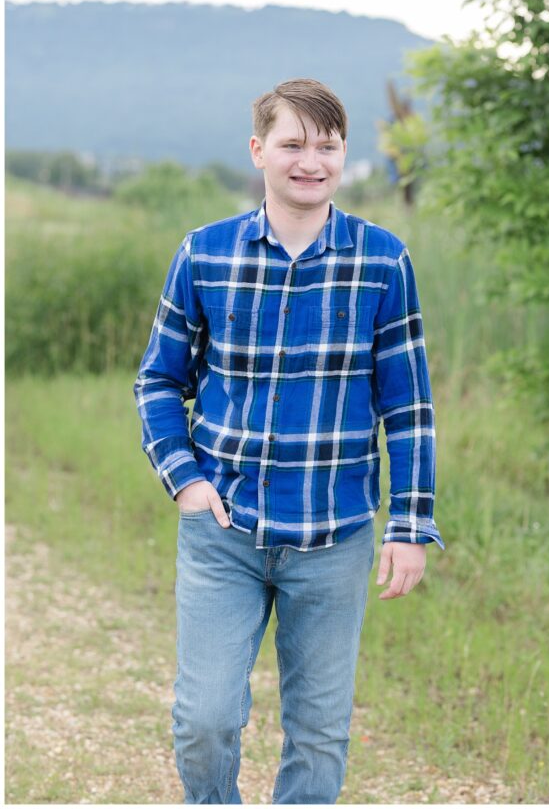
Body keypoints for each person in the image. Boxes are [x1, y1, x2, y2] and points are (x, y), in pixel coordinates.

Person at [133, 78, 445, 804]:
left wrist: (409, 524)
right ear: (259, 151)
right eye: (293, 144)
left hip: (334, 536)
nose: (312, 161)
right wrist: (185, 478)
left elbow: (409, 407)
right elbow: (157, 381)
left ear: (343, 155)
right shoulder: (205, 254)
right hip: (224, 530)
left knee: (319, 732)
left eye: (328, 146)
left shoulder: (382, 261)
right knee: (204, 719)